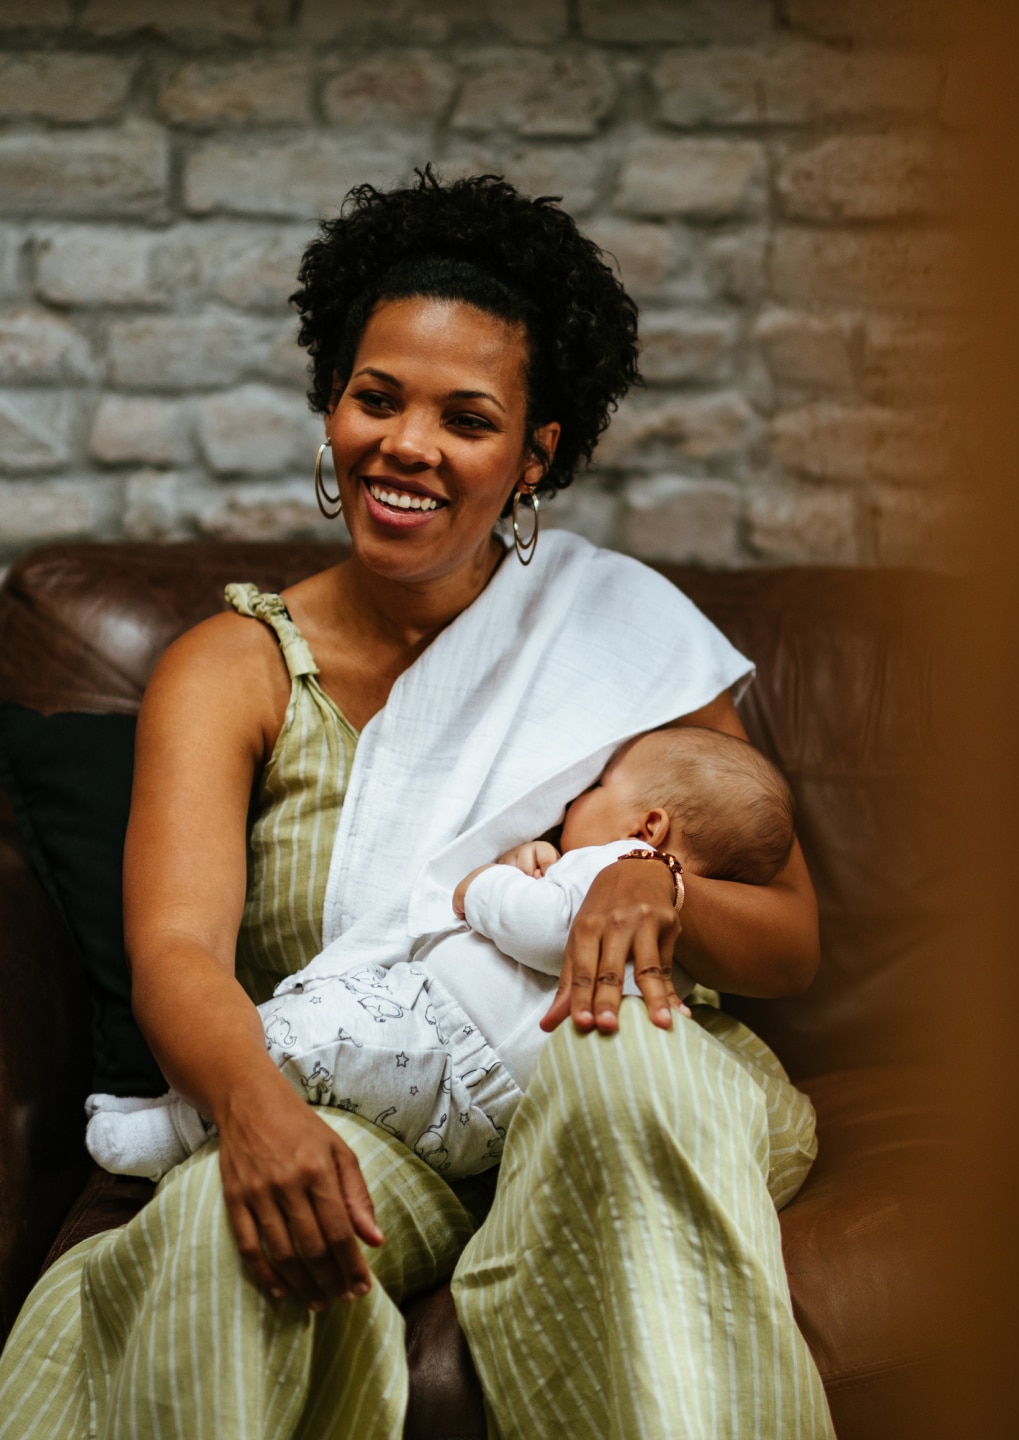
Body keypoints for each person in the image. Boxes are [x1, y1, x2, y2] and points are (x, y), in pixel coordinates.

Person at [0, 168, 835, 1440]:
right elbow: (176, 952)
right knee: (228, 1243)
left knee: (622, 1095)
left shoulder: (612, 634)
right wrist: (259, 1118)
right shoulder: (231, 671)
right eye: (376, 399)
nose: (408, 446)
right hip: (378, 1102)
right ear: (331, 410)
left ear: (534, 453)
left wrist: (651, 888)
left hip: (622, 1063)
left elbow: (792, 941)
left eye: (468, 417)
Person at [84, 728, 796, 1183]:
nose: (577, 797)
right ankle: (181, 1111)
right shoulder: (680, 941)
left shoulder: (620, 867)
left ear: (649, 825)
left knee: (313, 1034)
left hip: (446, 1042)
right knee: (320, 1063)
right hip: (489, 1112)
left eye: (598, 788)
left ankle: (171, 1128)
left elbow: (546, 928)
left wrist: (483, 885)